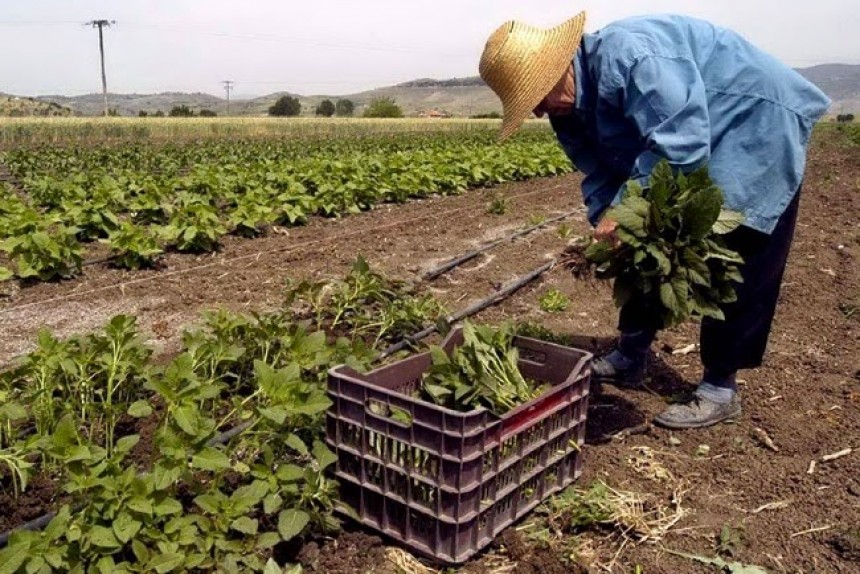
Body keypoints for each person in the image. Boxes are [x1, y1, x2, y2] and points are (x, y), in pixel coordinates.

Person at [478, 12, 831, 429]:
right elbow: (598, 173)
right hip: (694, 131)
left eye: (537, 96)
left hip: (755, 119)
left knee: (738, 247)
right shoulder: (566, 110)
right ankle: (631, 355)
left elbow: (680, 145)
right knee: (641, 240)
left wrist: (625, 210)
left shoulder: (630, 56)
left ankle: (721, 386)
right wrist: (610, 220)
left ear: (559, 67)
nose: (538, 112)